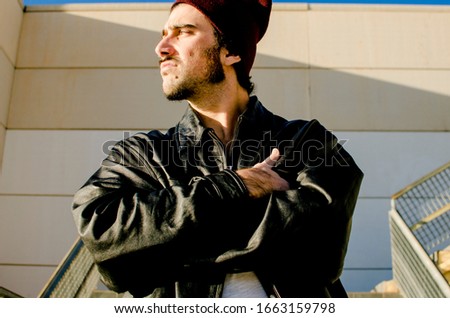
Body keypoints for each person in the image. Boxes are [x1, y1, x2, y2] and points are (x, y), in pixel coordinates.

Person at [72, 0, 363, 298]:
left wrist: (165, 245)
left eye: (183, 32)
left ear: (231, 51)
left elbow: (316, 255)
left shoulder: (306, 141)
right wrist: (233, 186)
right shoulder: (141, 155)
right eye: (163, 34)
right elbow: (104, 235)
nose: (161, 48)